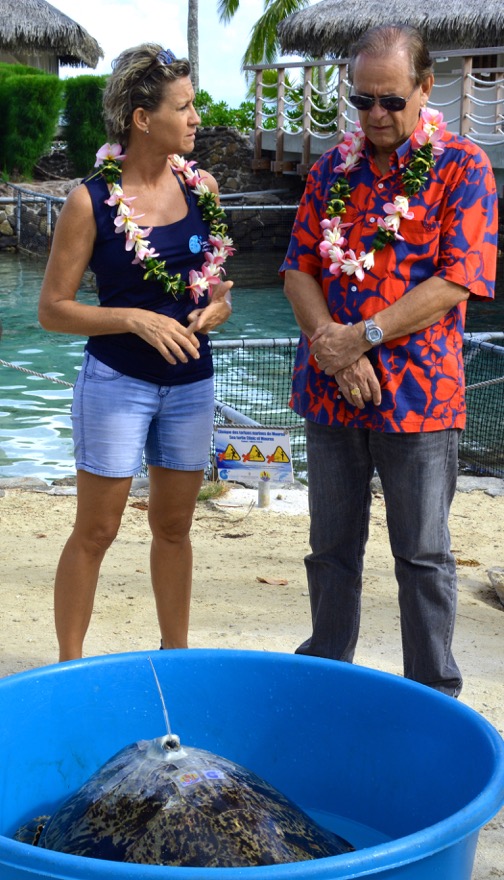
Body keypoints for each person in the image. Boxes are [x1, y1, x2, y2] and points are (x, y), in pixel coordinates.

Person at [281, 24, 497, 696]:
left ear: (425, 89)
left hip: (422, 398)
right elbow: (298, 269)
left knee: (425, 556)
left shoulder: (463, 167)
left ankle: (432, 696)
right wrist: (334, 347)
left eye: (391, 101)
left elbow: (456, 280)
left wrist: (363, 336)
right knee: (331, 550)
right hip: (330, 390)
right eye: (362, 101)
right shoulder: (328, 171)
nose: (375, 114)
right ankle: (325, 677)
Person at [38, 44, 234, 662]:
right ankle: (69, 666)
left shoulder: (202, 187)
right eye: (185, 106)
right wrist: (132, 318)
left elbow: (217, 284)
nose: (197, 117)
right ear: (143, 119)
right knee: (96, 530)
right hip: (118, 382)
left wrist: (219, 308)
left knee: (175, 527)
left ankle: (174, 654)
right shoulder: (88, 201)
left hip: (192, 383)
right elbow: (53, 309)